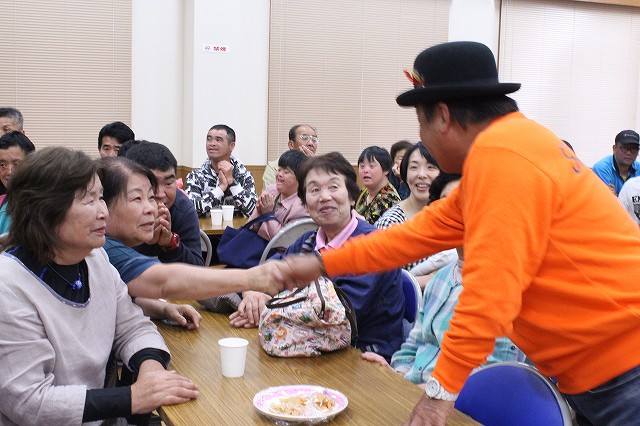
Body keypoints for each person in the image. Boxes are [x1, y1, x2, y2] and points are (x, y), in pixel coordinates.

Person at [271, 41, 640, 426]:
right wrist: (318, 264)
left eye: (420, 122)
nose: (420, 135)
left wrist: (438, 395)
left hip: (625, 370)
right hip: (601, 371)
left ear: (443, 116)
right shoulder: (514, 145)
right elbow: (407, 239)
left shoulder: (504, 157)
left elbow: (487, 296)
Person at [0, 147, 199, 425]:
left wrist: (151, 370)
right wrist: (133, 397)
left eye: (101, 198)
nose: (103, 212)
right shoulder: (9, 285)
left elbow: (132, 326)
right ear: (46, 212)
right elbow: (31, 402)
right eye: (89, 200)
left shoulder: (95, 259)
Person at [233, 152, 405, 361]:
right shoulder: (309, 241)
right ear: (305, 204)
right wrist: (252, 292)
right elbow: (270, 273)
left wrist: (269, 304)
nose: (324, 197)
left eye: (333, 187)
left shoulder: (373, 246)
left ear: (352, 197)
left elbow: (334, 315)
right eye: (314, 190)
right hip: (309, 346)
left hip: (364, 356)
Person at [98, 157, 282, 306]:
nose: (150, 208)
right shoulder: (103, 248)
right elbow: (164, 281)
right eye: (137, 198)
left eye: (150, 197)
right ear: (103, 206)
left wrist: (161, 309)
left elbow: (123, 302)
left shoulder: (181, 207)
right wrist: (253, 278)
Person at [362, 248, 525, 386]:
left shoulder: (505, 291)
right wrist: (397, 376)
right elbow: (413, 345)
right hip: (415, 392)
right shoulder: (441, 277)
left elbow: (486, 382)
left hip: (454, 407)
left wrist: (423, 392)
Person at [374, 143, 452, 285]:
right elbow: (384, 284)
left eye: (431, 167)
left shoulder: (449, 217)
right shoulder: (391, 224)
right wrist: (430, 280)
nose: (421, 174)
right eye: (414, 167)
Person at [125, 142, 204, 266]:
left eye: (168, 183)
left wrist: (169, 242)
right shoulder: (117, 208)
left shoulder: (183, 208)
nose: (161, 194)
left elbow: (197, 268)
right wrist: (142, 239)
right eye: (153, 184)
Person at [185, 124, 257, 217]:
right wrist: (220, 189)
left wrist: (232, 182)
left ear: (231, 146)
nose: (212, 144)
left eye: (218, 140)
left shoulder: (244, 175)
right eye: (209, 139)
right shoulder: (196, 176)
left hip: (239, 227)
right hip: (205, 227)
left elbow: (254, 211)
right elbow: (189, 210)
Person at [248, 150, 309, 240]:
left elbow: (282, 241)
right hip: (255, 242)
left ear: (300, 177)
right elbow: (250, 227)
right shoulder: (271, 190)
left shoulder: (302, 206)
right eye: (279, 169)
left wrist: (268, 214)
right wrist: (259, 211)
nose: (279, 174)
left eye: (286, 172)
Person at [0, 131, 36, 232]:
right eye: (3, 165)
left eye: (16, 164)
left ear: (31, 164)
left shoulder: (42, 206)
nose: (9, 172)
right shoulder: (2, 203)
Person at [263, 124, 318, 189]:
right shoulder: (274, 167)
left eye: (314, 140)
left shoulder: (318, 167)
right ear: (291, 144)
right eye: (305, 138)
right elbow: (270, 194)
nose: (311, 143)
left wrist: (314, 163)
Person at [355, 146, 400, 224]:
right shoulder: (365, 191)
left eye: (371, 166)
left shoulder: (390, 199)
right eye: (362, 166)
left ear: (386, 170)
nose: (365, 170)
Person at [592, 129, 640, 195]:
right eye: (625, 148)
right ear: (614, 149)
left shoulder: (639, 168)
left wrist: (616, 196)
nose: (629, 153)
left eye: (634, 149)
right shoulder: (601, 169)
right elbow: (606, 199)